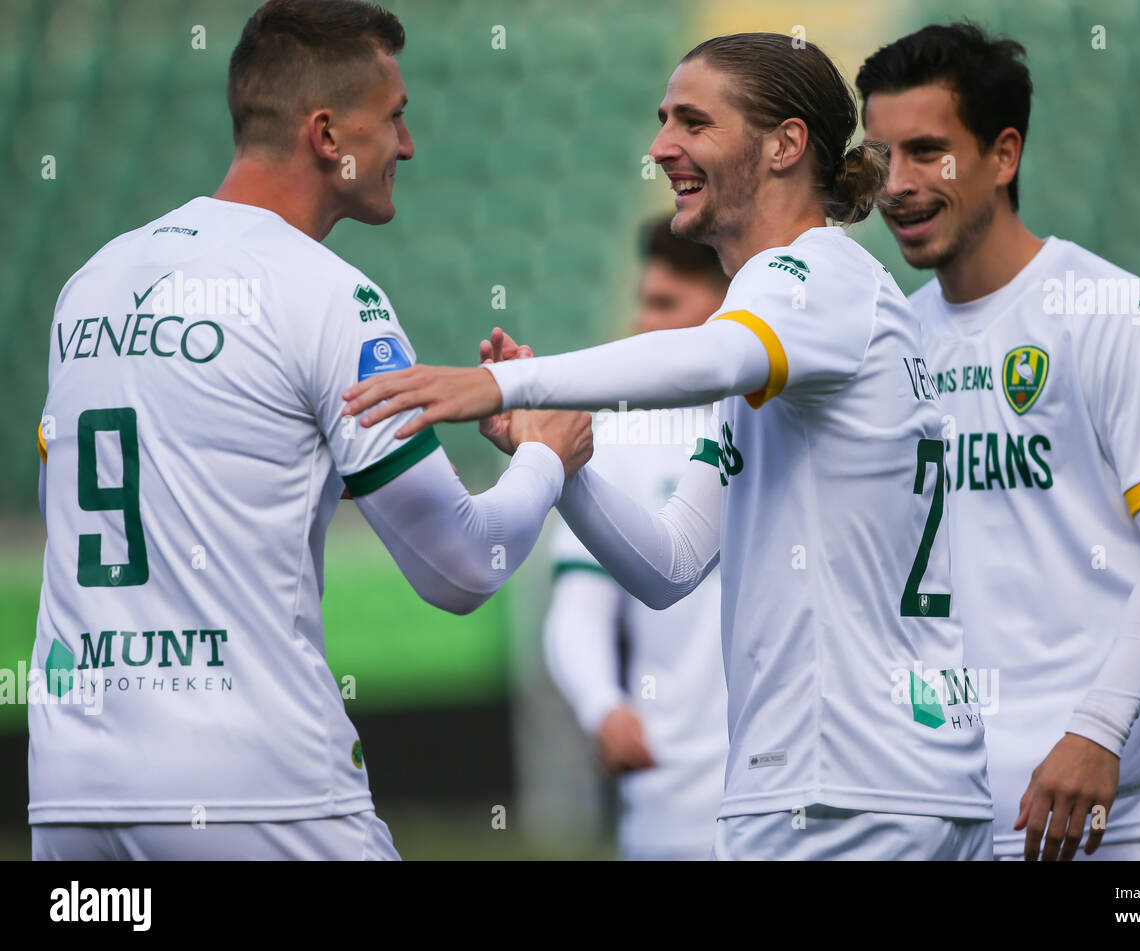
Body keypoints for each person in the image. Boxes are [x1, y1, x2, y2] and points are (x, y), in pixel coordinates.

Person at [345, 33, 993, 860]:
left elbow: (712, 353)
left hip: (844, 793)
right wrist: (566, 464)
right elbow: (672, 563)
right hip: (881, 783)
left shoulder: (814, 274)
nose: (660, 148)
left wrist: (512, 385)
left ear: (786, 144)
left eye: (693, 121)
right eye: (662, 122)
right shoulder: (795, 344)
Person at [30, 0, 590, 861]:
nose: (407, 145)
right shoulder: (328, 294)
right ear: (329, 136)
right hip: (253, 786)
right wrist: (547, 456)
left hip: (69, 792)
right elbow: (462, 565)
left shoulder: (91, 282)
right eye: (395, 117)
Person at [857, 22, 1140, 861]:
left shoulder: (1113, 311)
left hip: (1105, 799)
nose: (898, 186)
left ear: (1005, 153)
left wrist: (1098, 729)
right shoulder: (891, 343)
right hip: (946, 802)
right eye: (881, 159)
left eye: (927, 152)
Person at [542, 216, 730, 861]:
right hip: (670, 804)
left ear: (729, 310)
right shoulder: (612, 437)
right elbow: (577, 611)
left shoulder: (789, 415)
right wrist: (604, 707)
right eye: (642, 302)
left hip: (798, 799)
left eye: (666, 304)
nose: (642, 323)